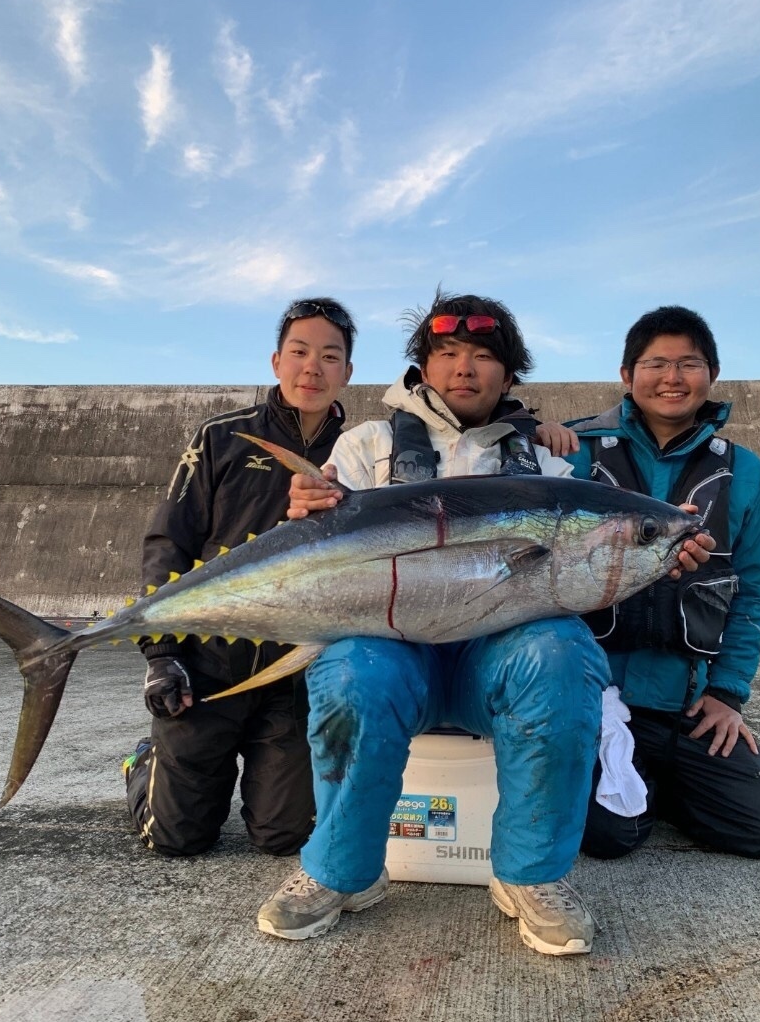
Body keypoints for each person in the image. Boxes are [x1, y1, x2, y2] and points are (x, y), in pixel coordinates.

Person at [255, 289, 617, 957]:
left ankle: (531, 875)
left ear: (510, 376)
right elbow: (328, 550)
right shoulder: (366, 445)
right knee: (354, 670)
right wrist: (307, 508)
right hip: (398, 655)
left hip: (497, 662)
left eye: (484, 356)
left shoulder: (549, 461)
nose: (465, 368)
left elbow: (584, 583)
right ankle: (342, 872)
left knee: (564, 655)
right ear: (421, 367)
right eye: (447, 353)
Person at [545, 305, 760, 860]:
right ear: (627, 375)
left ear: (712, 375)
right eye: (655, 363)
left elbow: (755, 592)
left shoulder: (744, 470)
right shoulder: (576, 451)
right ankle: (627, 786)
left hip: (684, 702)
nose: (672, 378)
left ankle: (652, 782)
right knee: (605, 840)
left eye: (689, 364)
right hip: (594, 692)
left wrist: (727, 695)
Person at [122, 298, 357, 858]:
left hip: (294, 670)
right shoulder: (222, 437)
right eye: (300, 352)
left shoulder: (359, 452)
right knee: (176, 840)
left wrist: (533, 422)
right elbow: (169, 542)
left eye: (330, 356)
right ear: (276, 361)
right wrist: (162, 656)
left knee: (284, 838)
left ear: (347, 372)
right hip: (208, 662)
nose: (312, 368)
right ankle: (143, 762)